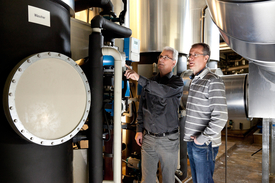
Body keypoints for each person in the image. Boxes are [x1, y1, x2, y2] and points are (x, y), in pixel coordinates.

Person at [124, 46, 184, 183]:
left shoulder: (176, 82)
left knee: (168, 179)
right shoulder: (149, 82)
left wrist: (139, 78)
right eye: (160, 56)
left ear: (174, 62)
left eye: (166, 57)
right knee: (147, 179)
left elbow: (163, 92)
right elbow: (141, 108)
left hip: (168, 140)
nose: (161, 59)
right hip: (148, 139)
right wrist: (139, 130)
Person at [183, 43, 228, 183]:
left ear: (206, 58)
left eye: (195, 54)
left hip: (204, 144)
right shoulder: (195, 80)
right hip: (193, 141)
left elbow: (221, 117)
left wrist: (200, 140)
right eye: (190, 55)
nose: (191, 58)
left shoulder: (212, 81)